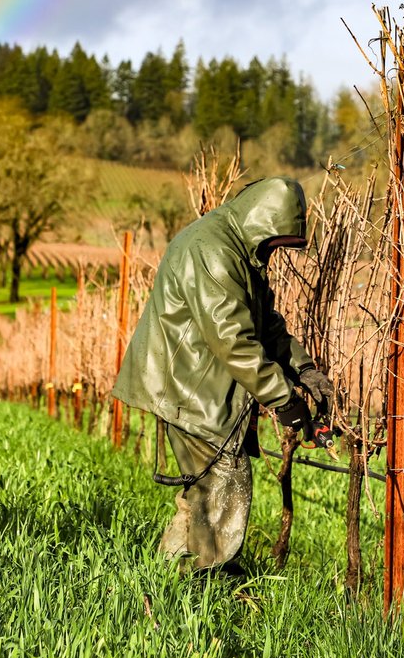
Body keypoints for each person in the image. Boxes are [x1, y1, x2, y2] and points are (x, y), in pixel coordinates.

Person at [112, 176, 332, 574]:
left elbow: (265, 323)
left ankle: (170, 577)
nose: (274, 253)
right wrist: (284, 400)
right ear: (262, 223)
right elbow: (235, 340)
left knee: (204, 493)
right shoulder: (214, 252)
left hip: (197, 382)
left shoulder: (236, 249)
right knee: (224, 486)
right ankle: (200, 583)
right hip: (187, 386)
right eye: (276, 243)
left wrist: (304, 368)